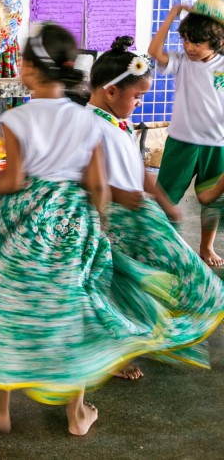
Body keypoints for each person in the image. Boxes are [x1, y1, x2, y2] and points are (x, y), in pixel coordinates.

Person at [0, 23, 174, 436]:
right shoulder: (87, 119)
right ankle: (76, 413)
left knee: (6, 304)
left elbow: (13, 181)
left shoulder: (15, 118)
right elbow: (96, 184)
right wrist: (100, 223)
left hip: (21, 226)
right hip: (73, 222)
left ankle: (0, 408)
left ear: (29, 69)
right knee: (72, 307)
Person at [88, 35, 224, 380]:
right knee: (116, 287)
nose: (138, 104)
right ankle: (116, 354)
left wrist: (163, 200)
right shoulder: (88, 126)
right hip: (109, 221)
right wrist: (118, 196)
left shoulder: (119, 122)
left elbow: (136, 168)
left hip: (137, 215)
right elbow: (82, 179)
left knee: (170, 271)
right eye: (137, 97)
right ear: (111, 92)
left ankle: (154, 332)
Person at [148, 0, 224, 266]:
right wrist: (172, 14)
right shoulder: (181, 62)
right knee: (165, 197)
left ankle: (206, 247)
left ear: (218, 42)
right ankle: (158, 246)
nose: (189, 47)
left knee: (212, 200)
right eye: (185, 40)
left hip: (217, 144)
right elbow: (154, 50)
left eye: (197, 42)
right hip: (182, 141)